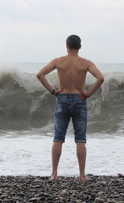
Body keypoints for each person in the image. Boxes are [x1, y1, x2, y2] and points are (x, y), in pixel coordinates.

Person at [36, 35, 104, 181]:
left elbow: (39, 74)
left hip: (62, 99)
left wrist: (52, 91)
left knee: (58, 138)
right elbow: (101, 78)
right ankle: (82, 175)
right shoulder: (86, 63)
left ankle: (54, 174)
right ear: (80, 47)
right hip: (79, 99)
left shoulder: (58, 61)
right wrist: (89, 93)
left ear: (66, 46)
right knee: (80, 139)